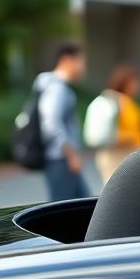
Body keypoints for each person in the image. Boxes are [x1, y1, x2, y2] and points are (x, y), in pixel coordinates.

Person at [35, 42, 90, 201]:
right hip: (60, 159)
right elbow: (51, 123)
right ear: (67, 60)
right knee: (64, 211)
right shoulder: (56, 88)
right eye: (81, 61)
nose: (83, 67)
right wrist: (71, 154)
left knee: (79, 206)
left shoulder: (55, 86)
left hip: (62, 159)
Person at [93, 64, 140, 183]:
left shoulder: (127, 101)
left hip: (125, 156)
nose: (137, 85)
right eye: (134, 81)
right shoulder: (118, 102)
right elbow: (113, 133)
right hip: (116, 157)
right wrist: (132, 137)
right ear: (125, 82)